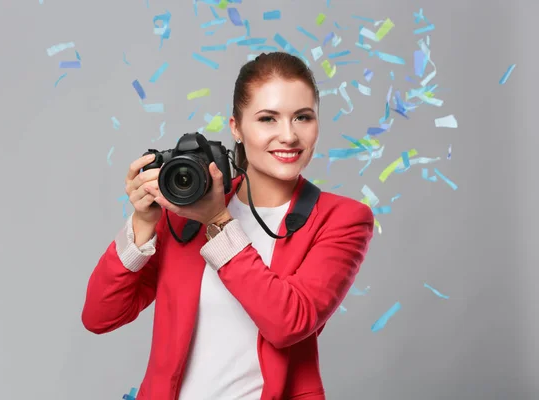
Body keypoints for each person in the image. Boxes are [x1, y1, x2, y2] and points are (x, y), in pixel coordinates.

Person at [82, 52, 374, 400]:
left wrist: (218, 221)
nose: (289, 135)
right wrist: (143, 223)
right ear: (236, 127)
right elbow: (100, 316)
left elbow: (288, 323)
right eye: (268, 119)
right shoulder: (185, 214)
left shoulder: (341, 218)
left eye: (302, 117)